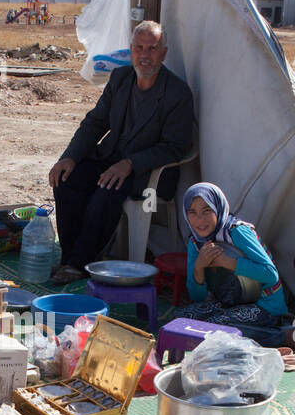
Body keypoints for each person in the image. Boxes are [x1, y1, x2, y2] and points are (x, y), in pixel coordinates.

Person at [47, 20, 194, 284]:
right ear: (131, 50)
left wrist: (130, 163)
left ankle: (80, 263)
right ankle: (69, 257)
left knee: (108, 189)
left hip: (146, 174)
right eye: (139, 48)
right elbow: (95, 122)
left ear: (164, 53)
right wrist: (69, 156)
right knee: (66, 179)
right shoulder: (121, 78)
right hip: (109, 159)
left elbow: (176, 147)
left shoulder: (177, 93)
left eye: (152, 49)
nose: (145, 55)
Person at [174, 181, 289, 346]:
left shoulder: (237, 232)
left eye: (207, 211)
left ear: (218, 208)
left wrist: (226, 262)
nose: (200, 220)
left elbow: (270, 274)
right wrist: (199, 267)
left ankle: (280, 336)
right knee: (181, 320)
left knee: (214, 328)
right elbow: (197, 297)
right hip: (227, 302)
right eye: (192, 212)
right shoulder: (196, 243)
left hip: (264, 305)